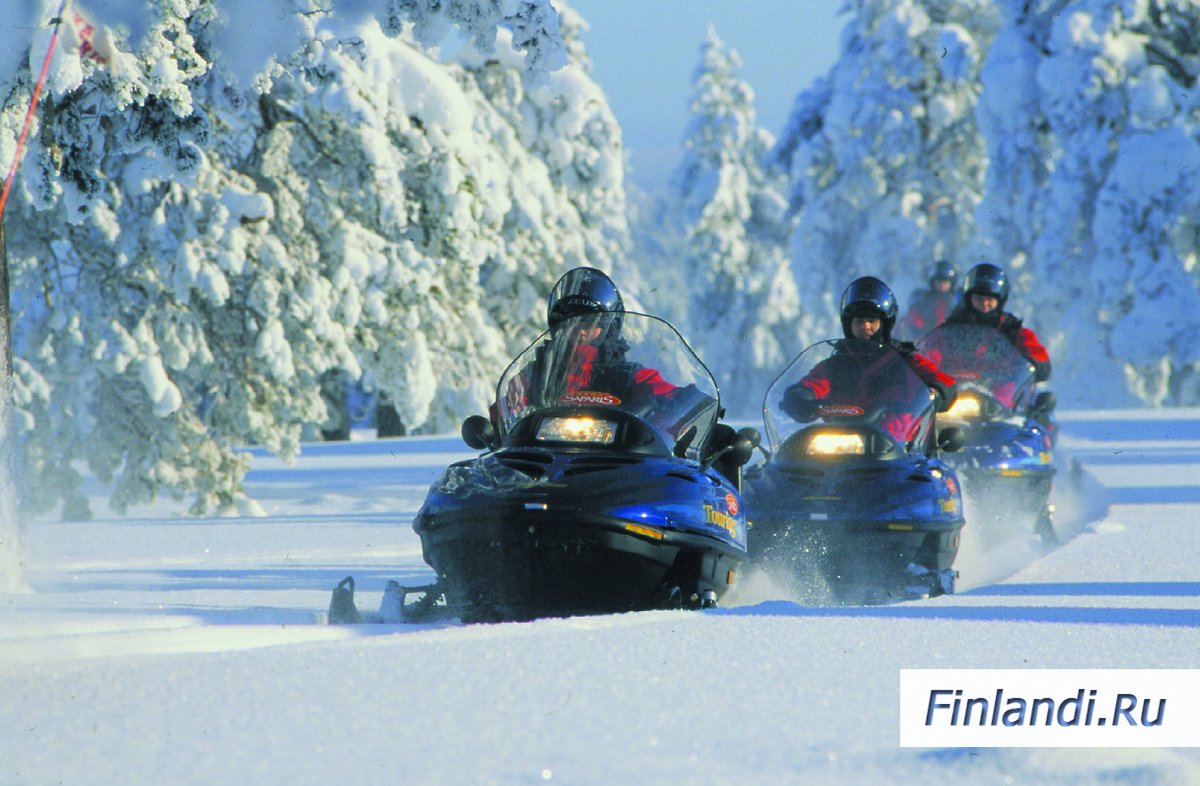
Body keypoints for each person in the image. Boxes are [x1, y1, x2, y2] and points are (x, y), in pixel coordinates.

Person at [781, 276, 957, 445]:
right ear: (848, 324)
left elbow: (943, 381)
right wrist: (800, 396)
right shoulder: (834, 365)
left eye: (872, 321)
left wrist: (937, 391)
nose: (865, 327)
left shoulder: (904, 361)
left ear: (884, 324)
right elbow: (813, 383)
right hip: (842, 445)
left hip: (898, 449)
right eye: (859, 321)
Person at [942, 263, 1051, 382]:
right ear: (969, 299)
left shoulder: (1011, 329)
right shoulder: (954, 327)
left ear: (999, 301)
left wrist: (1033, 364)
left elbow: (1036, 353)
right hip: (957, 390)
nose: (984, 304)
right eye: (979, 298)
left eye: (990, 299)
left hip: (1001, 394)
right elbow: (932, 352)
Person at [896, 259, 957, 340]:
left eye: (945, 281)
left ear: (951, 283)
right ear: (933, 281)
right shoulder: (924, 302)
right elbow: (907, 323)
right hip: (926, 344)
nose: (942, 285)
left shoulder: (956, 302)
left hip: (950, 344)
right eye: (939, 281)